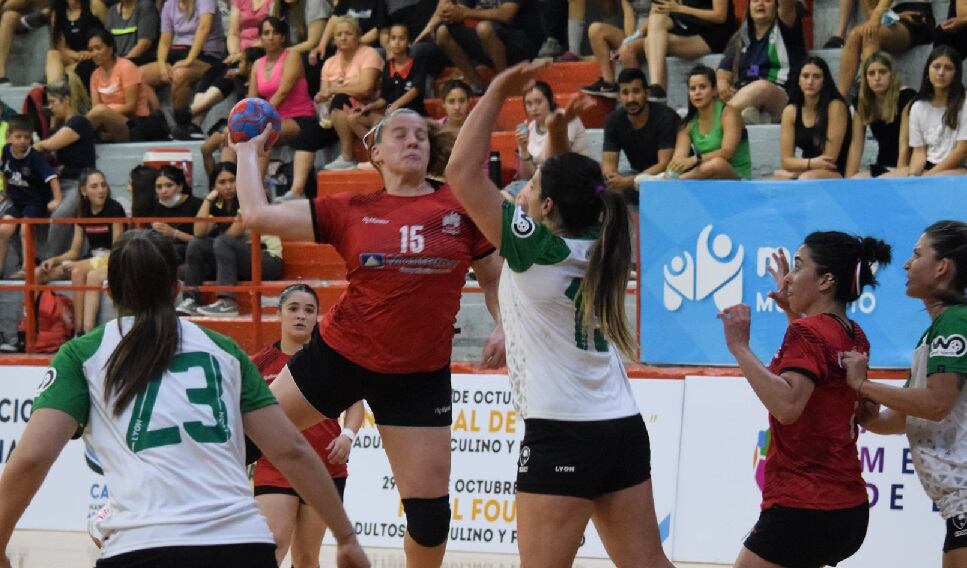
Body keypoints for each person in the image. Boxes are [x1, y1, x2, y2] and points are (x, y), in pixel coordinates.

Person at [232, 107, 505, 567]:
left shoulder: (461, 205)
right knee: (243, 439)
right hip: (340, 356)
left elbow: (495, 279)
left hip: (418, 377)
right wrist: (245, 151)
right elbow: (257, 214)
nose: (413, 141)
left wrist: (502, 324)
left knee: (431, 518)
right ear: (375, 152)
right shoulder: (352, 210)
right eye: (400, 134)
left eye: (420, 134)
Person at [0, 229, 370, 568]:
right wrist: (346, 537)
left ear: (109, 291)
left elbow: (31, 459)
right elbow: (290, 449)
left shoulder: (82, 355)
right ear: (177, 288)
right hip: (240, 545)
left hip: (143, 545)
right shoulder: (224, 350)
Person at [445, 60, 674, 568]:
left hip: (563, 430)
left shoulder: (536, 250)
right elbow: (576, 182)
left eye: (529, 187)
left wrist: (499, 90)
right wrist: (555, 129)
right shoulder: (603, 240)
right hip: (620, 425)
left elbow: (460, 173)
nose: (519, 191)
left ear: (547, 207)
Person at [718, 231, 892, 568]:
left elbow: (787, 407)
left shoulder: (806, 333)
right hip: (849, 508)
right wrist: (792, 313)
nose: (787, 277)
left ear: (826, 280)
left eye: (798, 267)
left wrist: (739, 347)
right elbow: (823, 383)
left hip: (804, 504)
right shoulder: (855, 334)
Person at [841, 220, 967, 568]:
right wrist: (870, 417)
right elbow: (901, 419)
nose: (906, 264)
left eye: (916, 254)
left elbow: (937, 404)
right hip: (957, 504)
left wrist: (862, 385)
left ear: (942, 267)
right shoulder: (934, 334)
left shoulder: (956, 322)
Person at [252, 283, 365, 566]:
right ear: (279, 314)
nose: (301, 316)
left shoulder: (330, 363)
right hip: (275, 465)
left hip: (324, 466)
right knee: (273, 543)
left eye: (309, 310)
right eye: (293, 309)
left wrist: (348, 435)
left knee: (306, 557)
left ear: (318, 317)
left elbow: (355, 404)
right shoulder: (259, 363)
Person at [222, 17, 336, 199]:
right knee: (230, 138)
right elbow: (251, 99)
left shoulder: (292, 57)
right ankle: (229, 187)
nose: (271, 37)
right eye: (266, 33)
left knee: (261, 136)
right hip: (272, 118)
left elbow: (282, 93)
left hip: (300, 117)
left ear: (283, 37)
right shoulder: (257, 64)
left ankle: (254, 194)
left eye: (275, 33)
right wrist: (238, 122)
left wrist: (255, 120)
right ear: (260, 38)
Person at [33, 169, 124, 336]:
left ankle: (82, 331)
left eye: (103, 185)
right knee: (39, 273)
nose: (100, 190)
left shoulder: (115, 209)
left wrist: (80, 264)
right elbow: (74, 251)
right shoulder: (81, 211)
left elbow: (116, 251)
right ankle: (29, 329)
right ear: (84, 191)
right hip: (88, 260)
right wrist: (55, 259)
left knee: (79, 271)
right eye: (94, 186)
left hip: (110, 261)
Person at [716, 0, 806, 125]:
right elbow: (724, 70)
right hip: (743, 93)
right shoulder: (741, 36)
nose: (761, 4)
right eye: (755, 0)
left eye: (767, 0)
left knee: (761, 87)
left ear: (776, 6)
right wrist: (722, 83)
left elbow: (787, 5)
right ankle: (754, 117)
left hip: (781, 96)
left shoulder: (786, 26)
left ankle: (718, 123)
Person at [37, 74, 97, 257]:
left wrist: (30, 146)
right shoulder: (61, 125)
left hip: (80, 183)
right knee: (26, 213)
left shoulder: (79, 123)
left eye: (54, 102)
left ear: (67, 100)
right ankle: (32, 259)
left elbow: (47, 145)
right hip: (61, 182)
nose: (51, 107)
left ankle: (48, 259)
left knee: (59, 216)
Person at [0, 115, 63, 279]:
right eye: (18, 137)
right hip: (17, 201)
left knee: (24, 230)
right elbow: (6, 173)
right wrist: (5, 193)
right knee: (4, 229)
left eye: (26, 137)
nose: (22, 141)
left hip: (35, 202)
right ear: (9, 137)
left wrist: (57, 200)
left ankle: (27, 269)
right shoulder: (6, 150)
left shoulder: (35, 158)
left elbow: (52, 178)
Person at [318, 16, 384, 171]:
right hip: (334, 113)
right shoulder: (329, 63)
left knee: (340, 99)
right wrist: (322, 96)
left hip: (369, 106)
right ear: (334, 39)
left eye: (348, 33)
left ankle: (347, 156)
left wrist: (336, 89)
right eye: (339, 34)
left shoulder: (369, 54)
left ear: (358, 37)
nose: (343, 37)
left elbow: (366, 88)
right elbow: (324, 93)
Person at [434, 0, 542, 95]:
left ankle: (503, 82)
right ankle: (476, 85)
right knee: (442, 32)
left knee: (484, 28)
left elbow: (506, 14)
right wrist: (451, 13)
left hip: (521, 43)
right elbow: (461, 9)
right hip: (489, 40)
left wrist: (465, 13)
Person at [178, 161, 244, 316]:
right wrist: (208, 200)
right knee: (196, 244)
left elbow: (233, 233)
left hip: (262, 258)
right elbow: (198, 232)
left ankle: (227, 303)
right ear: (214, 186)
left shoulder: (247, 198)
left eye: (232, 180)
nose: (228, 186)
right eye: (222, 182)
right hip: (231, 261)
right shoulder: (218, 204)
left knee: (222, 241)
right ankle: (191, 300)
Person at [601, 68, 680, 197]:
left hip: (667, 177)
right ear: (619, 96)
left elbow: (664, 164)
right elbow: (609, 162)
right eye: (625, 93)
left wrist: (628, 181)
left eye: (636, 91)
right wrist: (612, 178)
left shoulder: (666, 117)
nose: (631, 98)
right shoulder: (613, 120)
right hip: (637, 175)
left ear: (646, 93)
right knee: (603, 189)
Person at [345, 23, 428, 143]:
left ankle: (385, 148)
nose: (397, 42)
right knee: (353, 118)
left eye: (401, 38)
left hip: (412, 115)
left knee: (386, 124)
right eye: (393, 38)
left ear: (409, 42)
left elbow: (416, 90)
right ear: (388, 42)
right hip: (390, 116)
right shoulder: (387, 66)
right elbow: (384, 99)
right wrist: (367, 107)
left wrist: (395, 105)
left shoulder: (417, 63)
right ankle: (376, 149)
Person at [667, 64, 751, 179]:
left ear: (714, 90)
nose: (697, 92)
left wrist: (695, 159)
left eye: (702, 87)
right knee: (672, 172)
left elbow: (727, 153)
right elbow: (678, 160)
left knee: (717, 164)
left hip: (736, 180)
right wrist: (670, 172)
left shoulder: (729, 113)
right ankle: (668, 182)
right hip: (704, 180)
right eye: (692, 89)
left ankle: (678, 182)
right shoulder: (687, 124)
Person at [774, 56, 852, 180]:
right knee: (775, 178)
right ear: (798, 80)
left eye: (816, 77)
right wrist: (810, 164)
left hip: (835, 171)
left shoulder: (835, 107)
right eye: (805, 76)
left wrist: (799, 169)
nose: (810, 82)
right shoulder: (791, 111)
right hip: (807, 168)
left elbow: (829, 160)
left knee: (806, 178)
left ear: (825, 81)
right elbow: (786, 161)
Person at [642, 0, 736, 102]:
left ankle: (659, 97)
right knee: (656, 20)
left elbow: (720, 16)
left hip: (713, 33)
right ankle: (656, 87)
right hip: (687, 26)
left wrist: (680, 9)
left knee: (649, 43)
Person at [835, 0, 934, 97]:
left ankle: (866, 96)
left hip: (917, 15)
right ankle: (840, 99)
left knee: (871, 34)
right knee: (854, 35)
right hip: (892, 17)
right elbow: (872, 15)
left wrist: (882, 17)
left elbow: (875, 19)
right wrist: (898, 16)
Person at [140, 0, 227, 110]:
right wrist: (162, 67)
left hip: (207, 55)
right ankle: (159, 117)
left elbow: (204, 29)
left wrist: (190, 59)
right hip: (179, 52)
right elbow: (164, 41)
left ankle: (181, 122)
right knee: (138, 75)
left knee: (179, 74)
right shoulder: (169, 5)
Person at [895, 45, 967, 177]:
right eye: (936, 66)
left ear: (956, 73)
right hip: (929, 167)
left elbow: (962, 150)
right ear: (927, 71)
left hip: (959, 168)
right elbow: (919, 152)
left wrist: (928, 177)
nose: (941, 73)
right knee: (887, 181)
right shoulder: (918, 106)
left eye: (948, 68)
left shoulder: (964, 102)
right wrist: (913, 177)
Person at [87, 28, 167, 142]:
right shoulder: (94, 75)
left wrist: (106, 112)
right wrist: (104, 114)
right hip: (107, 123)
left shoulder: (126, 67)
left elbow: (130, 106)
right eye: (91, 50)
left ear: (110, 49)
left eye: (98, 48)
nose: (94, 53)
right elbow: (95, 108)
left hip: (135, 122)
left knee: (99, 112)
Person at [846, 51, 916, 178]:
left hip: (908, 165)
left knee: (882, 181)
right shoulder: (861, 102)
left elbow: (904, 144)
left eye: (882, 72)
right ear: (865, 77)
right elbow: (856, 146)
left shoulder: (906, 97)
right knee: (857, 180)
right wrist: (847, 182)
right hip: (883, 164)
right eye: (871, 73)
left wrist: (899, 179)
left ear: (892, 74)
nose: (877, 78)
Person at [513, 81, 592, 192]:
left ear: (551, 100)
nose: (534, 108)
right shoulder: (529, 128)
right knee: (504, 198)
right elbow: (526, 177)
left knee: (520, 198)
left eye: (538, 102)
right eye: (529, 104)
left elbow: (558, 163)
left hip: (571, 181)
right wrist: (523, 150)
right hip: (540, 182)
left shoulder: (564, 119)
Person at [581, 0, 651, 98]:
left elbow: (658, 16)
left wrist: (638, 35)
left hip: (653, 34)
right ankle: (608, 83)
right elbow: (629, 14)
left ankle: (637, 93)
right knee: (595, 29)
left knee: (627, 49)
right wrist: (629, 39)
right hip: (635, 34)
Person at [150, 164, 203, 265]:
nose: (163, 191)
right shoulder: (159, 206)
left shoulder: (197, 204)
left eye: (169, 185)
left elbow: (204, 242)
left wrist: (174, 233)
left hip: (191, 252)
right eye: (159, 187)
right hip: (164, 250)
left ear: (180, 186)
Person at [45, 0, 104, 87]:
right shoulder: (58, 11)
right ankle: (56, 94)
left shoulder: (94, 5)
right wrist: (77, 55)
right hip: (74, 58)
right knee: (52, 54)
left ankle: (58, 91)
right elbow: (60, 47)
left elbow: (110, 35)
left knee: (66, 73)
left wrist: (93, 52)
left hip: (96, 55)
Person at [105, 0, 160, 66]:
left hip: (141, 62)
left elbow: (145, 43)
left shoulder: (146, 6)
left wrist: (122, 64)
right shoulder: (112, 11)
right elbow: (106, 42)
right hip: (117, 63)